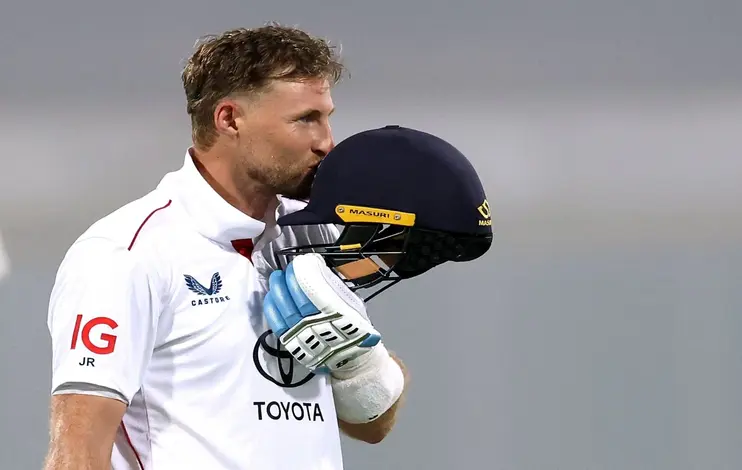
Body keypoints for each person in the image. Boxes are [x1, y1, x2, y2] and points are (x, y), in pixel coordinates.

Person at [43, 24, 492, 470]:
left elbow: (373, 426)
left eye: (327, 117)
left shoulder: (315, 237)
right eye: (305, 119)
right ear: (229, 119)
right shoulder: (127, 254)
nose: (327, 142)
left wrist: (360, 365)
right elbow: (77, 458)